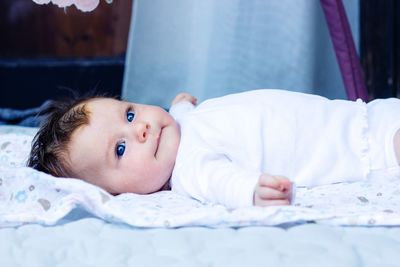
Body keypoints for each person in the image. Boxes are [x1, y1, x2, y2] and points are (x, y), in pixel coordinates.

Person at [27, 89, 400, 209]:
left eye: (128, 113)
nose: (140, 128)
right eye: (120, 150)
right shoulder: (189, 168)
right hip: (368, 150)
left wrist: (181, 104)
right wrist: (252, 190)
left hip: (362, 114)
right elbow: (220, 182)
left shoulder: (179, 127)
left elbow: (180, 116)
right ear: (119, 193)